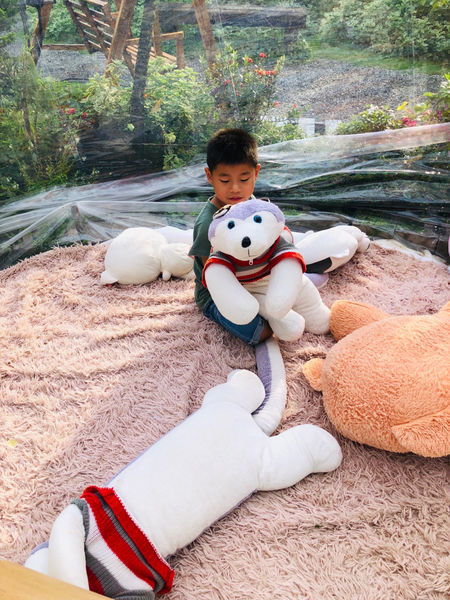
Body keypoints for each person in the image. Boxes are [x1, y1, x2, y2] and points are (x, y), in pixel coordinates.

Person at [189, 128, 273, 345]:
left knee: (289, 301)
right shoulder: (208, 224)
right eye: (225, 181)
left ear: (256, 173)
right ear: (210, 176)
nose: (235, 189)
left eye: (244, 179)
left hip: (255, 279)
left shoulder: (253, 204)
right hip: (216, 295)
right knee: (261, 332)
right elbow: (215, 278)